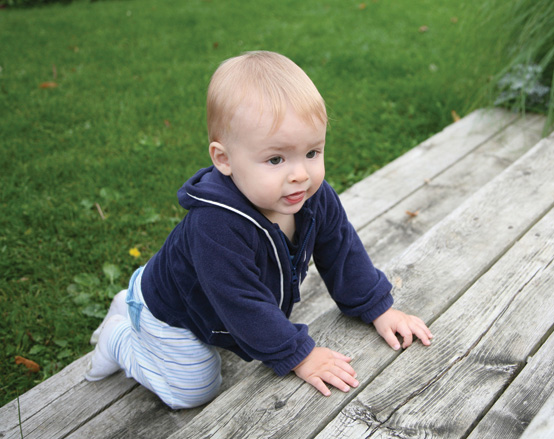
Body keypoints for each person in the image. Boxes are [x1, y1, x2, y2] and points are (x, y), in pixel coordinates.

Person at [85, 50, 433, 409]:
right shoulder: (215, 225)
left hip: (216, 307)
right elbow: (241, 300)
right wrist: (299, 354)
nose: (300, 173)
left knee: (244, 337)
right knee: (193, 392)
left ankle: (132, 306)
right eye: (276, 159)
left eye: (312, 152)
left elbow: (341, 250)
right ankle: (122, 335)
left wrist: (377, 307)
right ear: (224, 159)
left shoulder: (312, 197)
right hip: (176, 311)